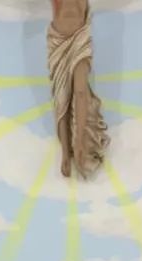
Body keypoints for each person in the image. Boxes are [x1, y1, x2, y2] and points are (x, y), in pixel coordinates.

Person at [48, 0, 109, 179]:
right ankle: (66, 152)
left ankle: (81, 142)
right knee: (61, 98)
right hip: (58, 39)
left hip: (80, 36)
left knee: (81, 92)